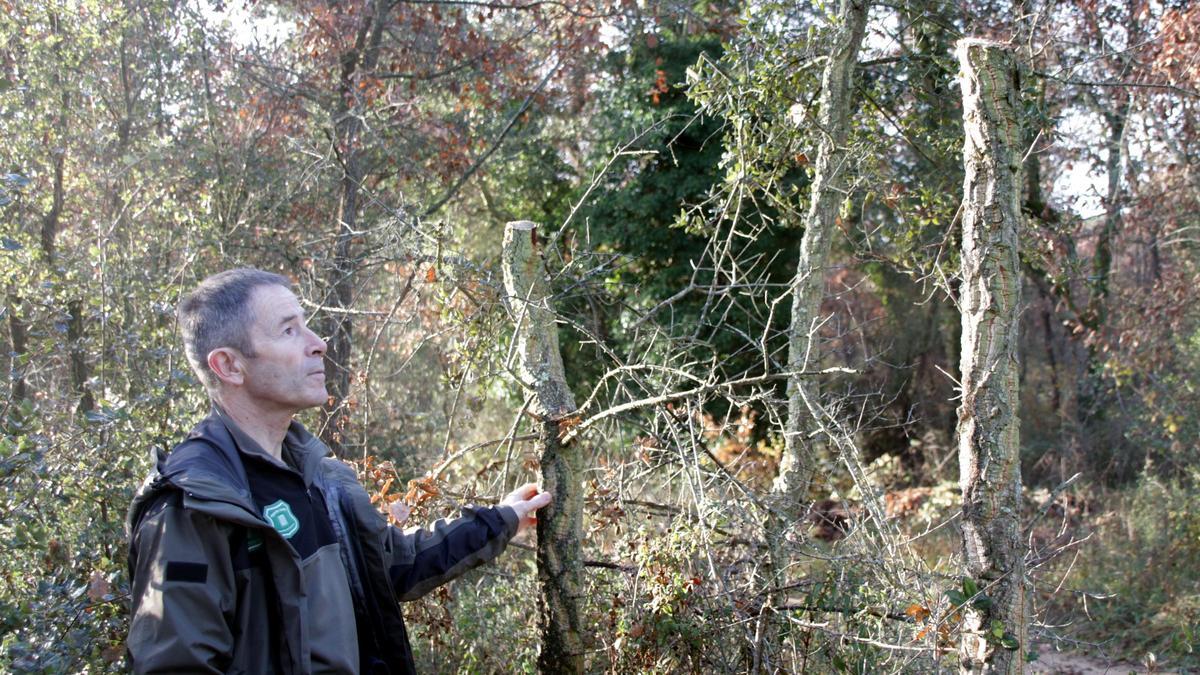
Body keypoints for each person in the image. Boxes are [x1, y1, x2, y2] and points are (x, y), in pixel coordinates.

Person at [126, 268, 551, 674]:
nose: (319, 344)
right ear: (229, 366)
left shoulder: (321, 477)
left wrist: (502, 519)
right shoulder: (193, 507)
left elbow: (390, 565)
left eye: (306, 326)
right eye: (288, 331)